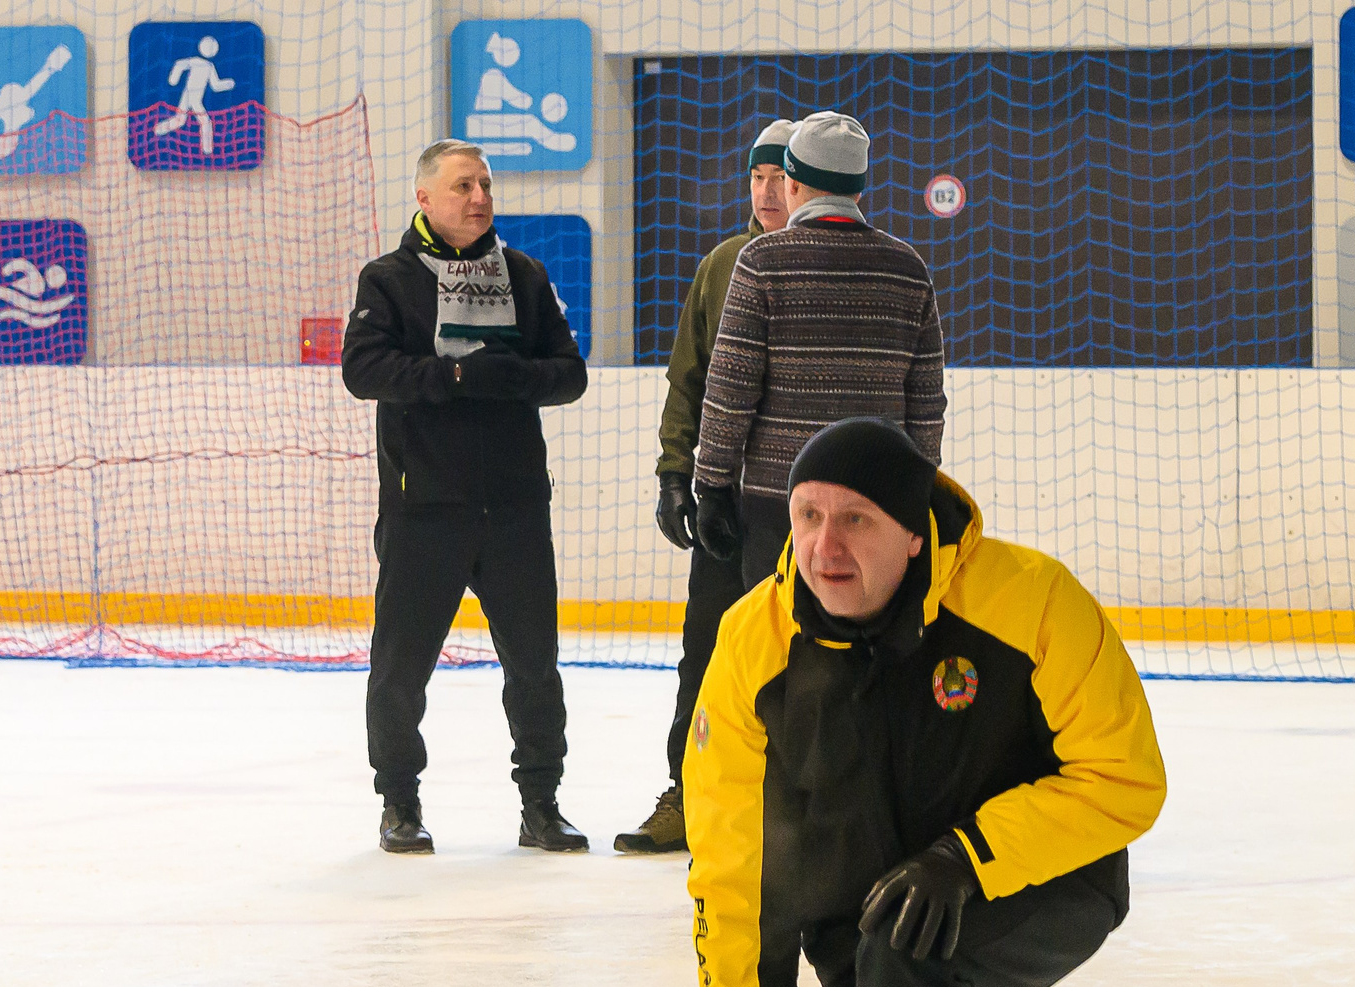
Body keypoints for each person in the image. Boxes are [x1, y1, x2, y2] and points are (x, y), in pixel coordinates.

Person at [682, 419, 1167, 987]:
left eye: (856, 521)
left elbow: (1126, 777)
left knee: (907, 948)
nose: (826, 547)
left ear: (915, 532)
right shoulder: (754, 645)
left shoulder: (1029, 602)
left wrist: (968, 857)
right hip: (872, 928)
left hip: (1044, 885)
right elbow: (731, 866)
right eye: (807, 516)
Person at [342, 139, 590, 856]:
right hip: (426, 512)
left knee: (536, 669)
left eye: (484, 183)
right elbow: (363, 370)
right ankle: (399, 804)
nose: (479, 197)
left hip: (514, 510)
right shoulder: (387, 279)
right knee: (399, 669)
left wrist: (515, 378)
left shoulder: (523, 273)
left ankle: (541, 804)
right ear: (424, 199)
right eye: (462, 186)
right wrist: (450, 379)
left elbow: (568, 374)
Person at [615, 118, 795, 857]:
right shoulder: (721, 265)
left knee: (805, 656)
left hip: (810, 514)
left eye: (782, 176)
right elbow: (688, 382)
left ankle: (797, 807)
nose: (767, 191)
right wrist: (674, 471)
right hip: (727, 503)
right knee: (706, 650)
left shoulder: (843, 262)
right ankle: (688, 795)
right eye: (757, 177)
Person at [690, 110, 945, 625]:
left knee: (782, 651)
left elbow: (730, 387)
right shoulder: (908, 269)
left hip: (780, 506)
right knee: (865, 650)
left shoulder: (762, 261)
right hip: (877, 505)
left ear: (795, 183)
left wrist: (712, 485)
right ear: (856, 188)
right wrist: (917, 491)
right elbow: (926, 403)